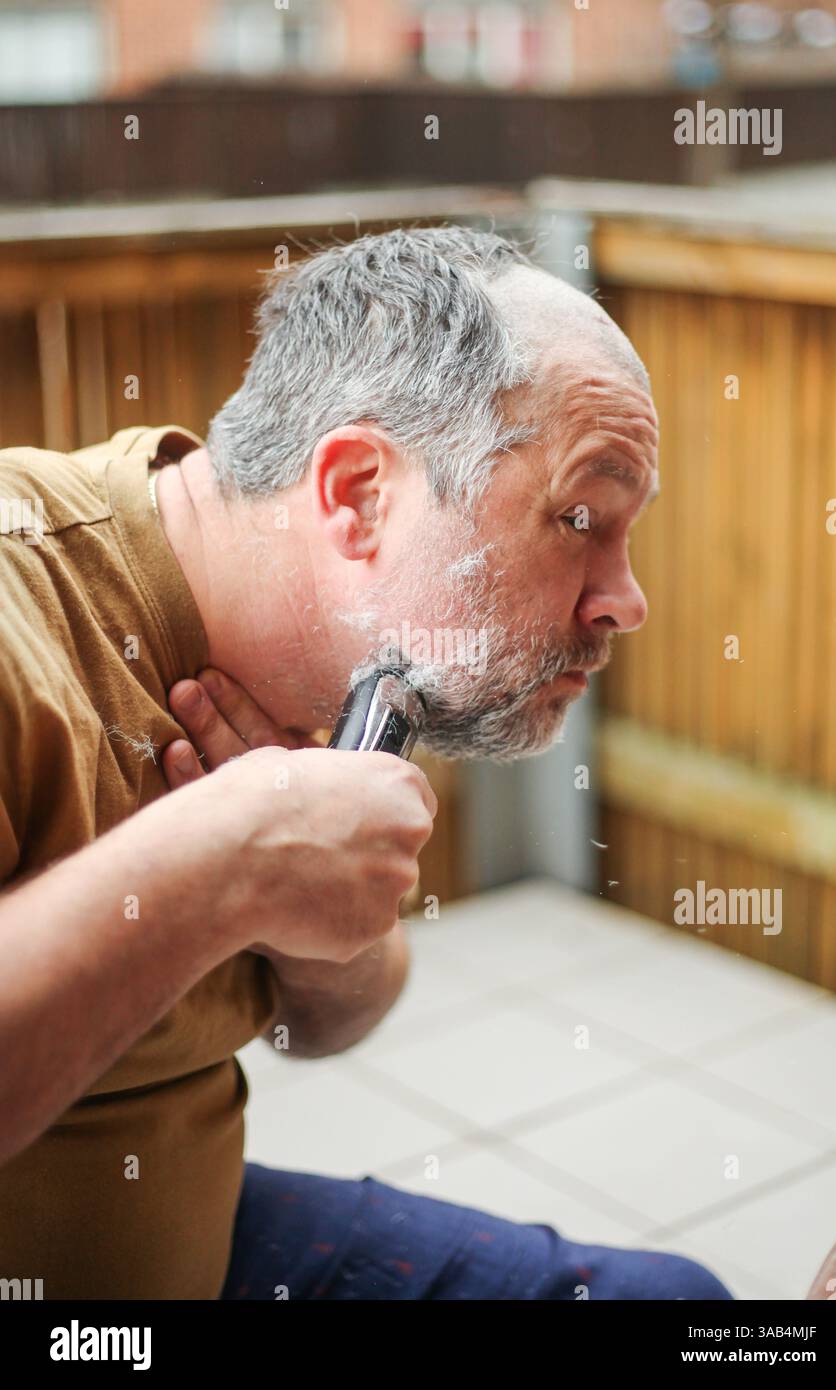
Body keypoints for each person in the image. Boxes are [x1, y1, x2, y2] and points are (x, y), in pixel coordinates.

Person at [1, 224, 735, 1299]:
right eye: (581, 516)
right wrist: (221, 865)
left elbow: (337, 1012)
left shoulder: (343, 662)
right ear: (357, 494)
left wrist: (314, 936)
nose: (624, 600)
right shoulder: (22, 617)